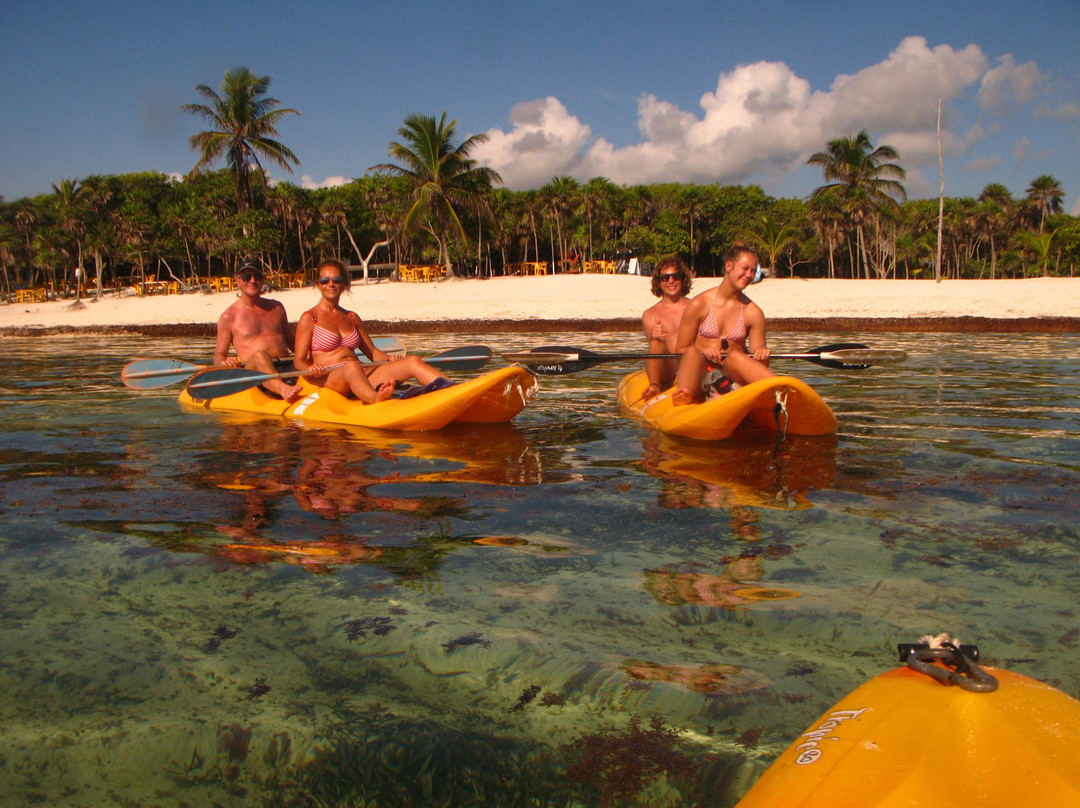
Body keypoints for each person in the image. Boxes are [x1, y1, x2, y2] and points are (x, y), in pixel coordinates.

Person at [293, 259, 451, 403]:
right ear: (318, 284)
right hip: (328, 377)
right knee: (351, 367)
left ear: (344, 284)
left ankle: (452, 389)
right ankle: (376, 398)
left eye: (337, 280)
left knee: (412, 361)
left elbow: (373, 352)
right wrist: (309, 369)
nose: (331, 284)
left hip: (360, 372)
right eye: (325, 280)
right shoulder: (310, 318)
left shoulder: (351, 317)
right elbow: (298, 361)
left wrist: (389, 359)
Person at [672, 243, 773, 405]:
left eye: (753, 271)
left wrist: (762, 352)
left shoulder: (753, 312)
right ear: (728, 266)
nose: (749, 275)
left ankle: (780, 390)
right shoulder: (700, 304)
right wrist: (703, 351)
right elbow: (680, 349)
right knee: (691, 352)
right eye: (745, 268)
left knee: (736, 357)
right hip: (701, 373)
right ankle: (684, 397)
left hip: (731, 375)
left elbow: (761, 364)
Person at [213, 259, 303, 402]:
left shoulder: (277, 308)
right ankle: (282, 389)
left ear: (263, 280)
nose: (252, 281)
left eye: (257, 276)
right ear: (238, 280)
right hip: (254, 372)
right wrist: (226, 362)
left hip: (287, 366)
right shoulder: (228, 316)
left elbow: (292, 342)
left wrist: (314, 356)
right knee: (260, 355)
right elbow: (219, 355)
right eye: (246, 277)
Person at [641, 256, 694, 401]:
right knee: (656, 343)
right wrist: (654, 337)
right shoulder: (650, 314)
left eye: (676, 276)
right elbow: (654, 350)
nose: (671, 281)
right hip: (668, 370)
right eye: (665, 278)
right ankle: (654, 386)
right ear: (659, 282)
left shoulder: (695, 307)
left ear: (683, 279)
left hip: (692, 364)